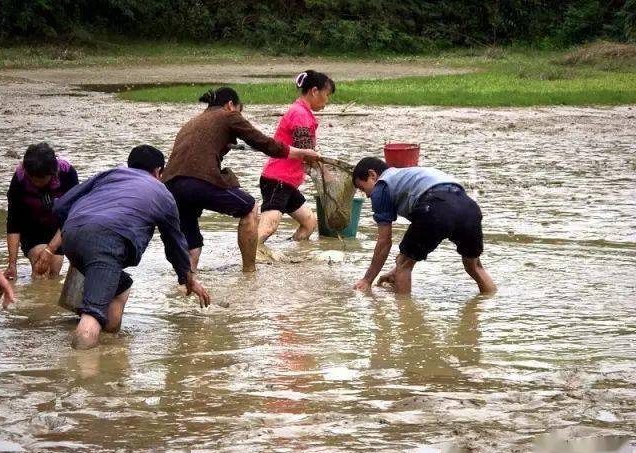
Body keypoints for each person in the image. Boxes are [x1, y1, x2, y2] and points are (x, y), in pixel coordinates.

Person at [53, 145, 210, 350]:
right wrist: (187, 278)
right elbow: (175, 242)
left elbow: (61, 206)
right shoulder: (161, 193)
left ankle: (110, 343)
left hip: (72, 235)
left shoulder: (110, 174)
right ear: (158, 171)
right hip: (106, 242)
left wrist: (76, 235)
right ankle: (82, 377)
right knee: (92, 316)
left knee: (122, 287)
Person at [162, 87, 319, 273]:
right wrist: (300, 153)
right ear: (230, 105)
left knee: (192, 244)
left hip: (169, 185)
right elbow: (264, 143)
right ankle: (249, 273)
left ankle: (185, 286)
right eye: (239, 110)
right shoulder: (228, 115)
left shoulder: (192, 122)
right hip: (198, 179)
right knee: (250, 208)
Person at [351, 157, 496, 295]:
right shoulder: (407, 175)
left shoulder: (381, 186)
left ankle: (407, 318)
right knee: (474, 266)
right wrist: (398, 268)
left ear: (372, 175)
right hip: (469, 208)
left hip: (435, 205)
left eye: (363, 189)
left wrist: (367, 280)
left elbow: (384, 242)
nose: (368, 196)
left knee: (403, 264)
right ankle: (487, 307)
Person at [257, 70, 335, 247]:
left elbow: (306, 153)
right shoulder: (299, 113)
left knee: (309, 222)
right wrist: (326, 173)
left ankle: (290, 253)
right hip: (278, 180)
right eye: (327, 95)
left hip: (288, 183)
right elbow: (306, 152)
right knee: (269, 227)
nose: (327, 101)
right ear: (315, 91)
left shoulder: (303, 112)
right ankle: (251, 257)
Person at [5, 142, 79, 279]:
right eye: (32, 180)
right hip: (32, 227)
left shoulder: (67, 173)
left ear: (53, 173)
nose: (36, 184)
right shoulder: (19, 179)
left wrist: (50, 249)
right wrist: (12, 264)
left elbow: (73, 217)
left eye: (41, 180)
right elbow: (13, 223)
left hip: (60, 227)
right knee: (41, 266)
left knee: (54, 272)